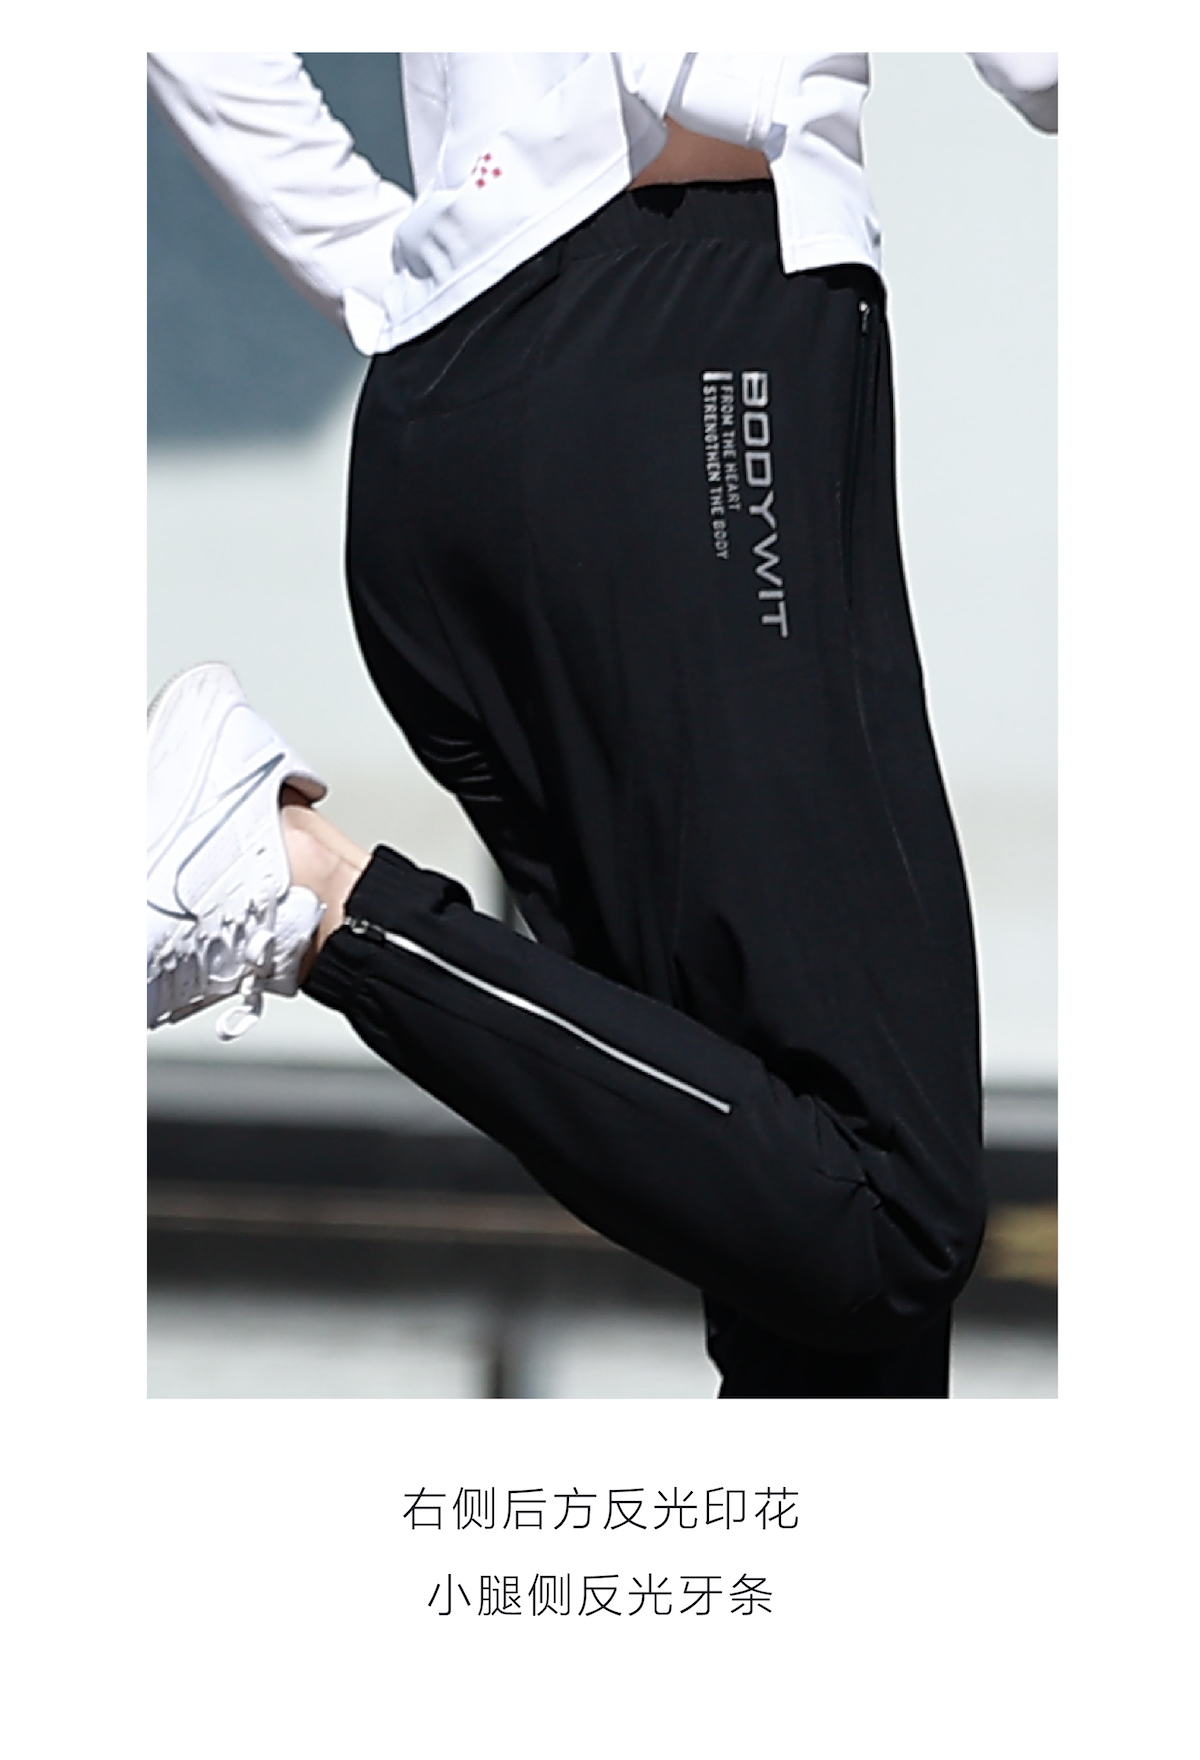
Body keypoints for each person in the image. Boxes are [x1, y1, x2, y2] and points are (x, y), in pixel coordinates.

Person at [146, 52, 1058, 1398]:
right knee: (885, 1212)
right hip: (686, 357)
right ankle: (299, 890)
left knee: (798, 1262)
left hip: (466, 417)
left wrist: (393, 266)